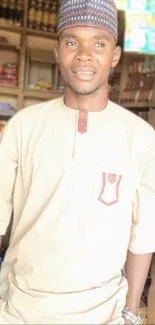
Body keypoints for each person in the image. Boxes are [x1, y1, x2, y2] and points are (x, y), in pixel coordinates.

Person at [0, 0, 154, 323]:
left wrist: (129, 313)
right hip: (20, 310)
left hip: (104, 314)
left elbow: (145, 233)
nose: (84, 54)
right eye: (72, 41)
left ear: (115, 54)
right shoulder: (24, 127)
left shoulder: (141, 137)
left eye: (99, 42)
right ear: (57, 51)